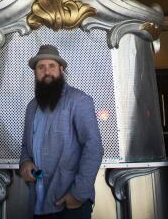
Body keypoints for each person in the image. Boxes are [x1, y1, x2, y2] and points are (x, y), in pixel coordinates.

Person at [18, 44, 104, 218]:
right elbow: (26, 147)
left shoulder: (79, 100)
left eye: (52, 66)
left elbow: (94, 147)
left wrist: (78, 195)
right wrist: (25, 162)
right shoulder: (31, 107)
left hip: (69, 203)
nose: (46, 71)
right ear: (34, 72)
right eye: (41, 67)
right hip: (38, 203)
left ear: (61, 69)